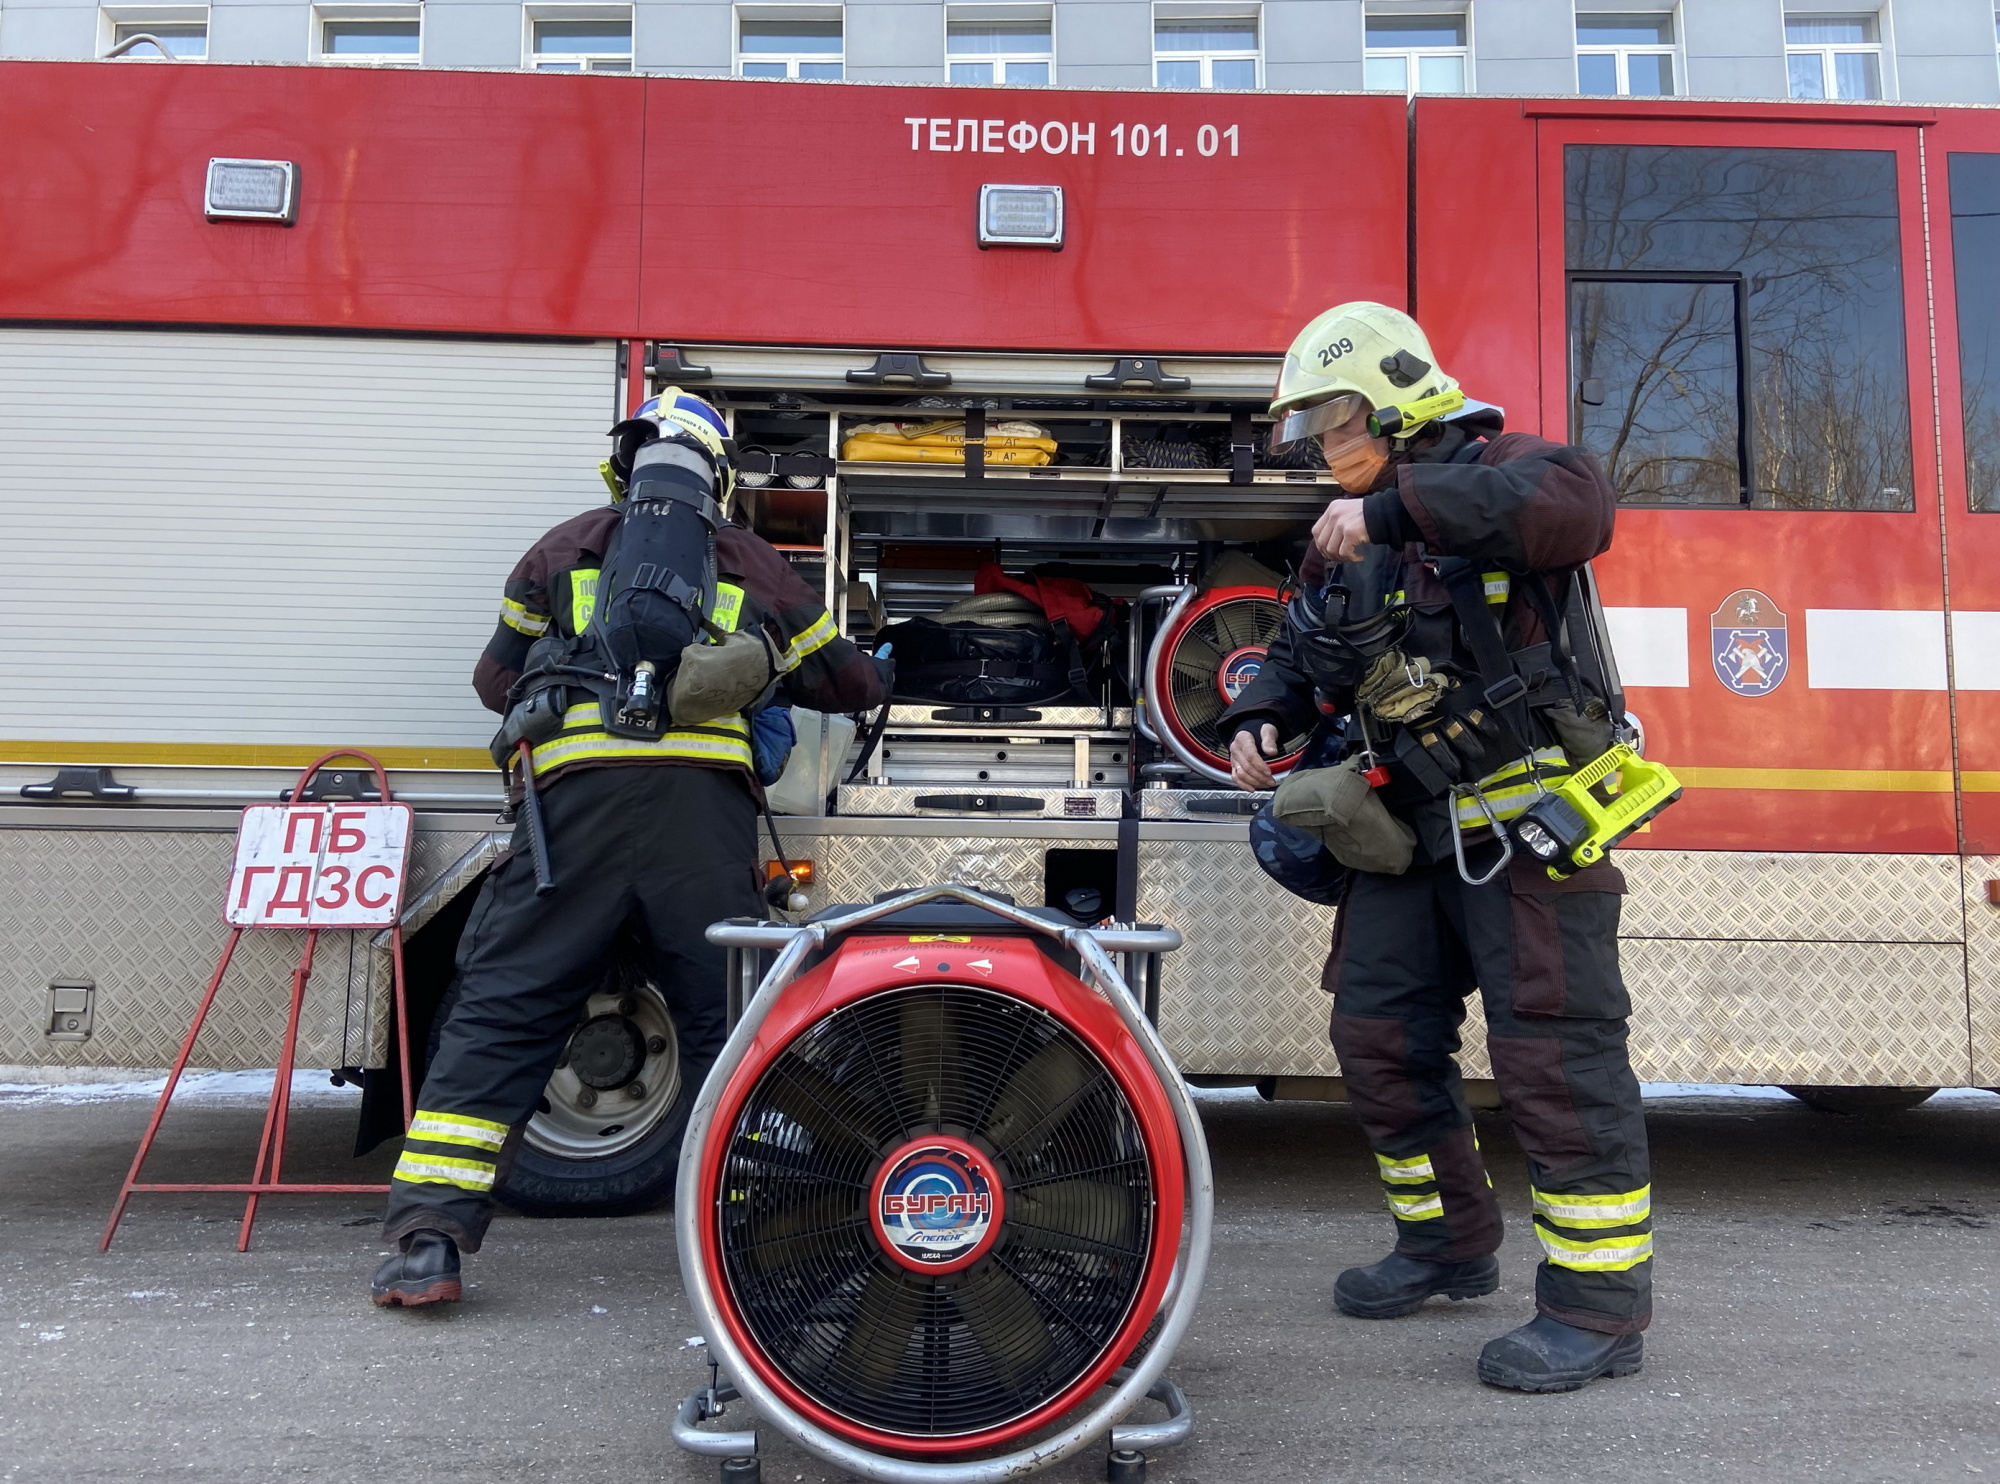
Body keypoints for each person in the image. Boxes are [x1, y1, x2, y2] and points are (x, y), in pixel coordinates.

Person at [369, 390, 888, 1307]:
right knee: (732, 1024)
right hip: (700, 822)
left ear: (627, 463)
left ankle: (428, 1242)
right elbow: (844, 682)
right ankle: (763, 1235)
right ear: (718, 476)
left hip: (571, 817)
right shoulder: (749, 560)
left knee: (504, 1010)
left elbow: (494, 682)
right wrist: (865, 663)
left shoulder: (560, 549)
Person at [1223, 302, 1652, 1393]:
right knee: (1372, 1035)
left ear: (1399, 395)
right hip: (1408, 835)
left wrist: (1396, 512)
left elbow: (1575, 506)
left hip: (1526, 827)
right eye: (1308, 427)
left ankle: (1597, 1309)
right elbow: (1297, 651)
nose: (1322, 443)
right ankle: (1446, 1243)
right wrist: (1257, 715)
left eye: (1334, 415)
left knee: (1554, 1059)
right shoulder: (1345, 532)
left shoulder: (1509, 470)